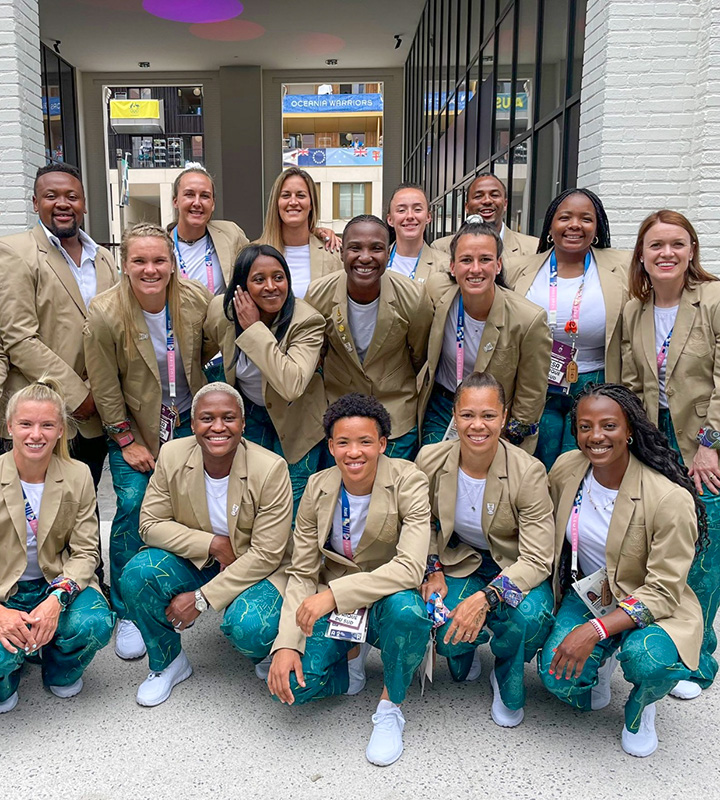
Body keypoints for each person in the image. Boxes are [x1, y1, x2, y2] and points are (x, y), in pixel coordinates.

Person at [262, 393, 432, 767]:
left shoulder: (409, 480)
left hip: (388, 595)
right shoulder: (317, 486)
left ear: (383, 444)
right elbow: (303, 572)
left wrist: (334, 597)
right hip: (339, 602)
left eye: (366, 441)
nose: (354, 452)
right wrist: (287, 643)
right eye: (343, 442)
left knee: (409, 614)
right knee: (289, 689)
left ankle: (390, 706)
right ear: (331, 446)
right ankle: (351, 656)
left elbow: (409, 568)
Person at [538, 384, 704, 758]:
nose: (596, 436)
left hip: (654, 605)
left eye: (608, 425)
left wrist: (594, 631)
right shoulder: (567, 469)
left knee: (651, 662)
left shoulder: (668, 498)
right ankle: (603, 657)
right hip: (593, 594)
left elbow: (662, 591)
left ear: (629, 429)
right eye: (585, 426)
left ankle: (642, 706)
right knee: (556, 676)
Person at [83, 223, 213, 661]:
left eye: (159, 260)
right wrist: (124, 440)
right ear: (124, 265)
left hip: (188, 421)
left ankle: (193, 586)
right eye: (139, 260)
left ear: (173, 263)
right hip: (135, 426)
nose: (150, 268)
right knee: (134, 504)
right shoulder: (104, 312)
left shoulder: (194, 301)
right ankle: (128, 611)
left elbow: (215, 349)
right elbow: (103, 384)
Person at [120, 383, 293, 706]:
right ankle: (169, 662)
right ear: (194, 423)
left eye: (228, 418)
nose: (217, 427)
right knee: (137, 575)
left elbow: (268, 554)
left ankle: (266, 649)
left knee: (251, 628)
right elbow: (149, 524)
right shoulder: (172, 454)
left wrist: (200, 600)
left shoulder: (270, 469)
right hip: (197, 560)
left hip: (253, 567)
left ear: (243, 423)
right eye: (206, 418)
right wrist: (212, 543)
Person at [416, 371, 555, 726]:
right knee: (447, 630)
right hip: (461, 560)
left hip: (514, 565)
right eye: (468, 415)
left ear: (505, 417)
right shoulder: (430, 461)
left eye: (489, 415)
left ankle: (506, 670)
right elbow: (422, 522)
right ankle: (465, 648)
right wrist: (432, 568)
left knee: (529, 618)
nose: (478, 426)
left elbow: (538, 558)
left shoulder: (528, 472)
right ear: (454, 416)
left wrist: (485, 599)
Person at [622, 209, 720, 699]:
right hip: (653, 438)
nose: (666, 253)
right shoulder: (634, 309)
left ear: (691, 251)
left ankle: (697, 658)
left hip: (704, 442)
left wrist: (710, 446)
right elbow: (627, 382)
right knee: (662, 543)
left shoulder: (715, 299)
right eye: (655, 245)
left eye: (676, 244)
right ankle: (662, 633)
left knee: (704, 550)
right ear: (641, 253)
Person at [0, 163, 118, 495]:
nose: (63, 203)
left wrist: (99, 392)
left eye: (72, 196)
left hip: (93, 420)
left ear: (83, 204)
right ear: (36, 203)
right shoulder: (15, 253)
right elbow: (19, 339)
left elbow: (115, 332)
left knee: (82, 510)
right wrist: (78, 396)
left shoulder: (104, 259)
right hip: (38, 419)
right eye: (51, 196)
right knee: (31, 520)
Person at [0, 380, 115, 713]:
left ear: (61, 430)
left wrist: (56, 599)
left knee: (94, 623)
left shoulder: (78, 474)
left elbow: (86, 551)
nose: (36, 434)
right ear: (9, 427)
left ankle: (59, 666)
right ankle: (9, 672)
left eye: (47, 425)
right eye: (26, 424)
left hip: (55, 581)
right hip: (5, 590)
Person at [504, 188, 630, 470]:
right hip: (537, 386)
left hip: (596, 383)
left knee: (583, 465)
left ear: (597, 227)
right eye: (565, 217)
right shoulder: (517, 269)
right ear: (550, 225)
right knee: (538, 464)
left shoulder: (622, 267)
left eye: (586, 218)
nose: (575, 225)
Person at [203, 244, 326, 512]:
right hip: (252, 415)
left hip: (298, 424)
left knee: (292, 507)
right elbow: (203, 350)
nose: (271, 286)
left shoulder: (307, 321)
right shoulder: (221, 312)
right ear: (241, 286)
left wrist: (255, 329)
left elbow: (291, 385)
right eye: (259, 279)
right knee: (252, 501)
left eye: (278, 277)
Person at [305, 214, 432, 460]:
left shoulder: (413, 297)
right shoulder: (318, 294)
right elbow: (317, 353)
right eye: (355, 248)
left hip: (396, 418)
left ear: (388, 253)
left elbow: (419, 353)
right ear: (342, 253)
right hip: (340, 417)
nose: (365, 257)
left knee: (393, 494)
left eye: (376, 248)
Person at [419, 222, 551, 451]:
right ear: (452, 266)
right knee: (434, 473)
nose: (476, 269)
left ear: (498, 265)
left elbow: (532, 393)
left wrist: (511, 435)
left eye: (485, 259)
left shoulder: (528, 319)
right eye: (466, 260)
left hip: (494, 418)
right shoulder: (437, 292)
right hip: (443, 406)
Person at [256, 167, 342, 300]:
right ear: (276, 203)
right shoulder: (254, 254)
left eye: (301, 195)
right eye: (286, 195)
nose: (293, 202)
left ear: (311, 203)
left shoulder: (332, 253)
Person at [168, 166, 249, 296]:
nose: (197, 202)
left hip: (219, 316)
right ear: (176, 201)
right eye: (189, 194)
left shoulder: (231, 234)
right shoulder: (161, 245)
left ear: (213, 204)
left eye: (205, 196)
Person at [433, 173, 538, 257]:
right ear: (467, 207)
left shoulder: (533, 248)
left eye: (494, 195)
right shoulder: (441, 249)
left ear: (505, 204)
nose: (487, 201)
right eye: (478, 196)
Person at [385, 183, 449, 283]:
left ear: (428, 217)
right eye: (401, 210)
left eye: (417, 209)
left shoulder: (445, 264)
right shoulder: (377, 261)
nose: (410, 216)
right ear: (390, 220)